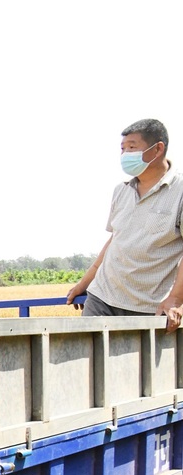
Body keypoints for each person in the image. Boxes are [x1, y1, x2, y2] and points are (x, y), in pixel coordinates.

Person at [66, 119, 183, 328]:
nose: (125, 155)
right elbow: (115, 240)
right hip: (102, 297)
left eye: (131, 147)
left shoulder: (179, 192)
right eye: (122, 149)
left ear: (157, 149)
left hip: (149, 307)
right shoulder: (121, 191)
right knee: (90, 360)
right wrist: (84, 284)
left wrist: (176, 299)